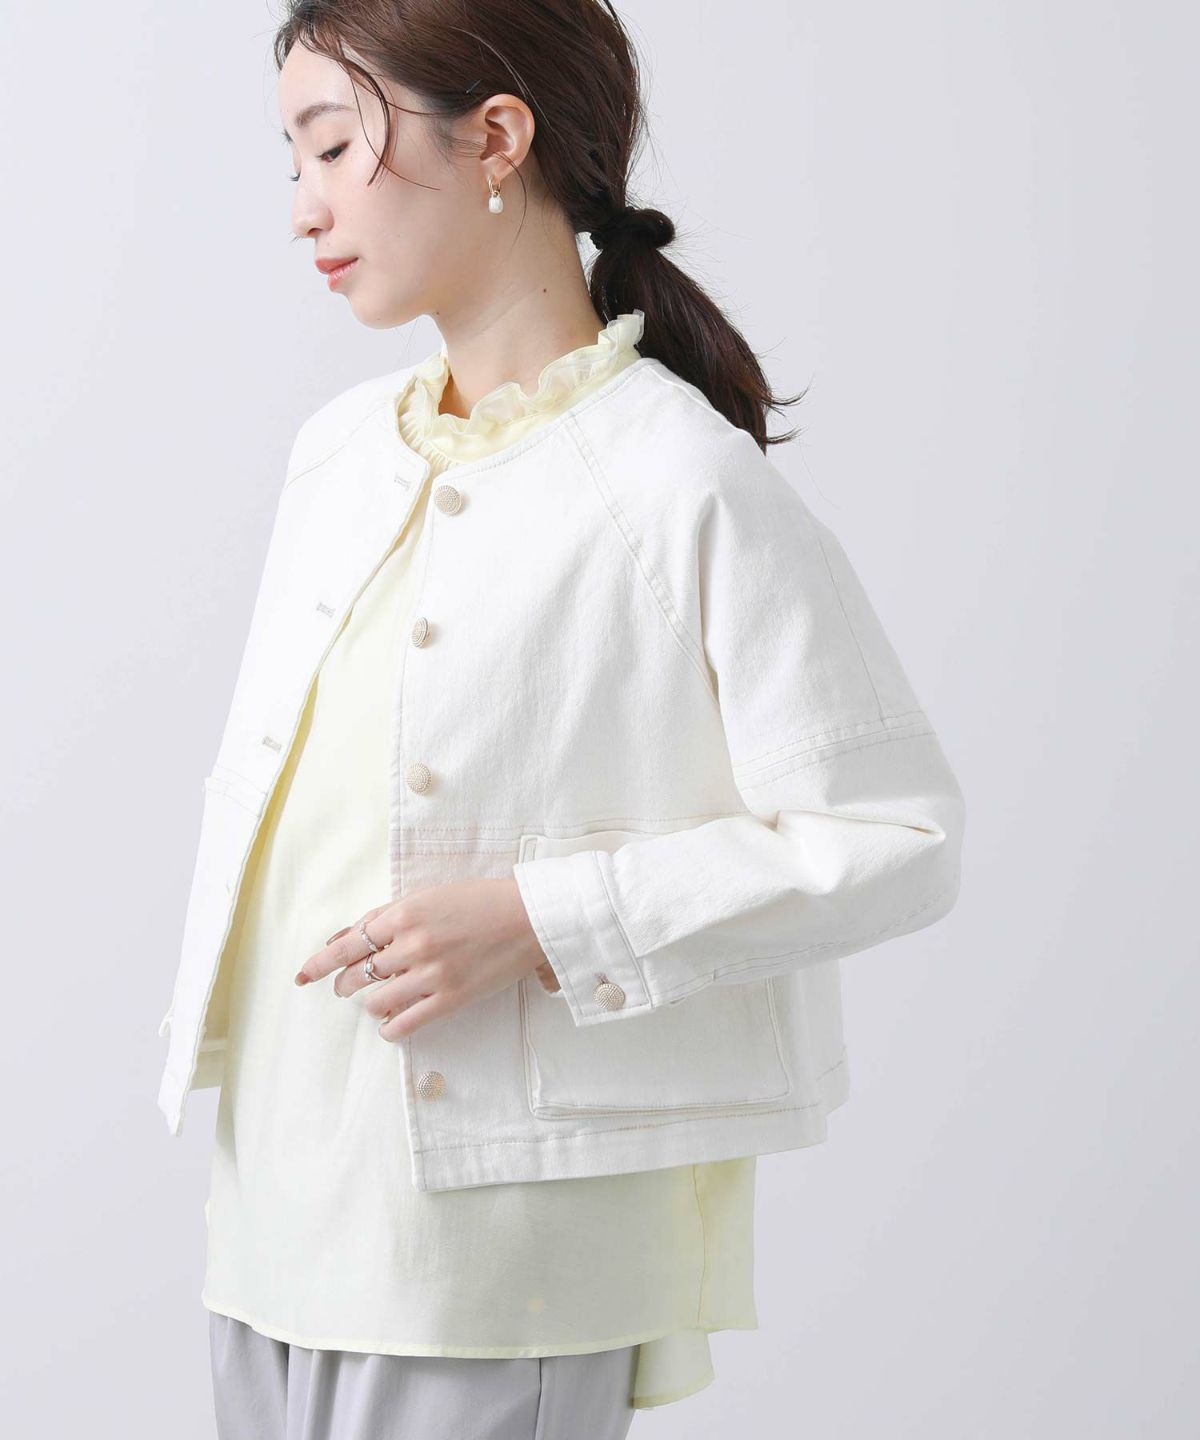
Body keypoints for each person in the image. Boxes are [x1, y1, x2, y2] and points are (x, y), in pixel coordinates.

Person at [161, 4, 965, 1437]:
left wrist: (548, 918)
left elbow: (895, 839)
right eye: (293, 159)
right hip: (276, 1222)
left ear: (497, 138)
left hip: (500, 1258)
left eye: (334, 147)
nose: (305, 209)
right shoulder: (337, 458)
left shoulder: (677, 481)